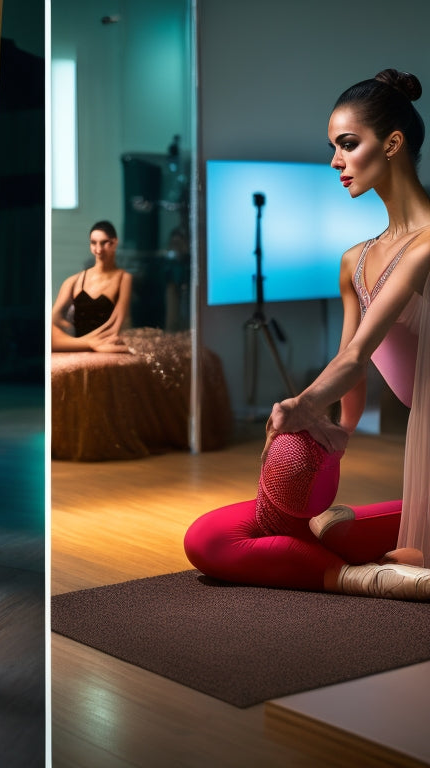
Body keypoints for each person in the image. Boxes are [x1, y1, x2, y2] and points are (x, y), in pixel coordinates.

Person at [185, 68, 430, 600]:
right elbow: (350, 361)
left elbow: (357, 353)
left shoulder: (428, 247)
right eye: (332, 147)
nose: (335, 162)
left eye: (348, 144)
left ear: (393, 144)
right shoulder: (355, 260)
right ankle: (370, 579)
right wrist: (334, 434)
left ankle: (377, 577)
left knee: (383, 542)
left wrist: (302, 403)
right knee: (211, 536)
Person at [52, 220, 132, 352]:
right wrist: (70, 328)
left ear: (115, 242)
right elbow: (55, 317)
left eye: (105, 243)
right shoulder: (74, 280)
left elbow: (118, 321)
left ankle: (91, 343)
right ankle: (88, 344)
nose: (98, 249)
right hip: (77, 340)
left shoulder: (123, 278)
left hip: (104, 337)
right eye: (94, 243)